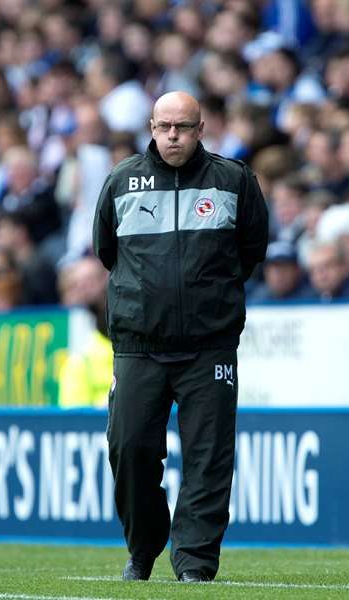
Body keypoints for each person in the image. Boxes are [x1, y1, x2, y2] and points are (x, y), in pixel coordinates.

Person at [93, 91, 268, 583]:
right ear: (151, 127)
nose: (173, 136)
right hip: (138, 344)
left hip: (209, 345)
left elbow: (251, 249)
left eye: (184, 127)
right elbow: (107, 250)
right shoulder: (122, 181)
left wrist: (206, 299)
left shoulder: (233, 180)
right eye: (165, 126)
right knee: (129, 449)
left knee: (209, 456)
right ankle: (143, 547)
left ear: (201, 130)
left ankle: (194, 561)